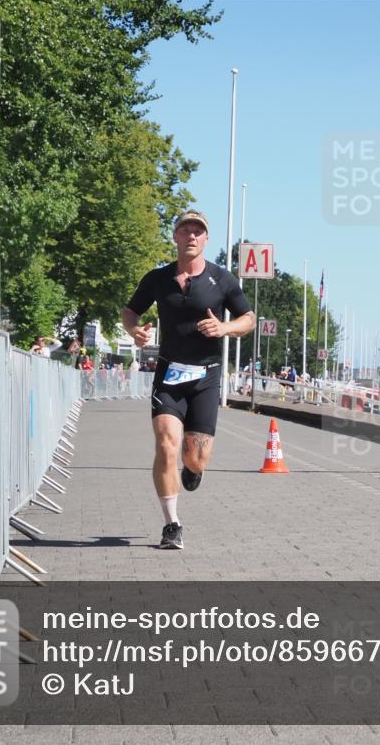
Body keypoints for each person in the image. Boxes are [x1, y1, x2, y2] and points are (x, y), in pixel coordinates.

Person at [122, 210, 254, 549]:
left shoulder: (222, 279)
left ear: (206, 239)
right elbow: (130, 310)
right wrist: (134, 330)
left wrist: (225, 327)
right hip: (169, 373)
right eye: (185, 231)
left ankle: (193, 470)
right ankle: (172, 525)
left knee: (195, 458)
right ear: (176, 237)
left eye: (198, 231)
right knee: (166, 445)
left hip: (206, 378)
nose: (191, 236)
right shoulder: (157, 278)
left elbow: (248, 318)